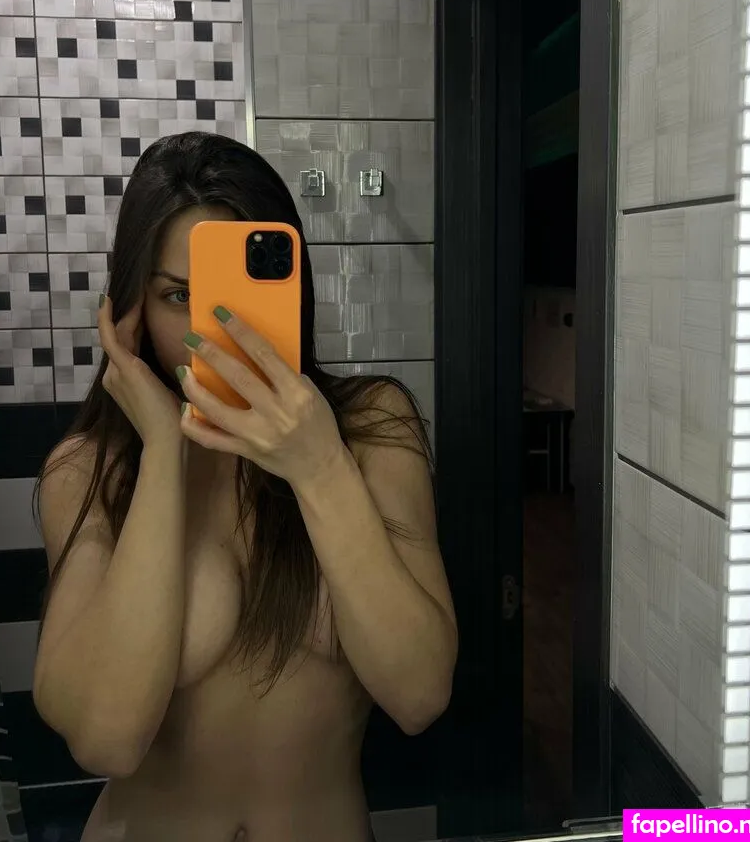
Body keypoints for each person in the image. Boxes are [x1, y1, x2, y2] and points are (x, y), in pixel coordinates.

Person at [31, 132, 458, 842]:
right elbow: (106, 740)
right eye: (178, 296)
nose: (212, 330)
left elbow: (420, 696)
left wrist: (318, 466)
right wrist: (163, 452)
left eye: (234, 295)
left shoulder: (369, 429)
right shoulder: (90, 468)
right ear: (131, 306)